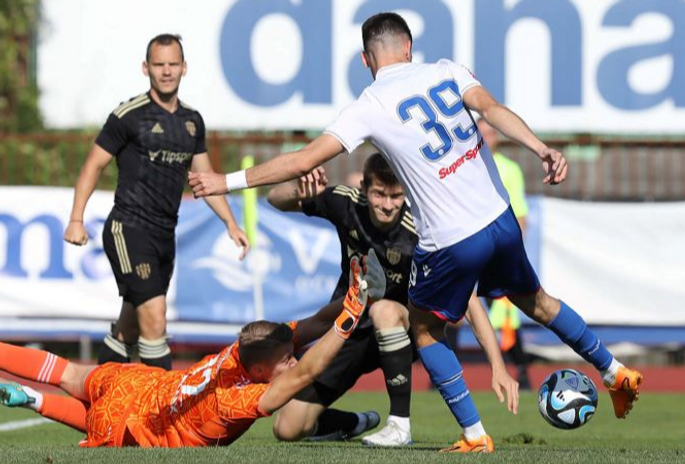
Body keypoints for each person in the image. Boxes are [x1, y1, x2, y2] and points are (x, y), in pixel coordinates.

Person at [189, 12, 643, 453]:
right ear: (409, 48)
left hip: (450, 238)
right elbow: (492, 109)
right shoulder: (447, 70)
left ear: (366, 61)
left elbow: (304, 160)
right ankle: (615, 371)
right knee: (538, 303)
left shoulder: (371, 104)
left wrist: (223, 182)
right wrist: (541, 148)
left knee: (425, 331)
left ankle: (473, 434)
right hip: (500, 218)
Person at [0, 250, 384, 448]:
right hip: (130, 427)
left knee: (67, 373)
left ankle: (33, 394)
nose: (293, 358)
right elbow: (308, 373)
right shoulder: (235, 402)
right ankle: (35, 400)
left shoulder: (242, 349)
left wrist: (357, 296)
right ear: (261, 372)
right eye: (286, 359)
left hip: (133, 385)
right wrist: (350, 314)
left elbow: (313, 326)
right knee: (102, 421)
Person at [266, 154, 518, 447]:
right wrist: (299, 191)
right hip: (350, 330)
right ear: (363, 188)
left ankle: (399, 425)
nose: (387, 204)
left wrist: (497, 365)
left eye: (396, 195)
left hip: (404, 330)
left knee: (383, 309)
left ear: (406, 193)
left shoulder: (424, 231)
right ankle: (354, 422)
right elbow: (274, 199)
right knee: (286, 427)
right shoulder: (345, 204)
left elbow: (471, 303)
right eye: (379, 194)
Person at [62, 34, 249, 370]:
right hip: (128, 229)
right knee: (156, 320)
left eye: (172, 64)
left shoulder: (193, 122)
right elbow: (93, 165)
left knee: (130, 327)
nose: (166, 71)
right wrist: (76, 218)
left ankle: (96, 397)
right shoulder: (128, 115)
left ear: (184, 68)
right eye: (159, 64)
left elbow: (205, 178)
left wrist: (230, 223)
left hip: (165, 235)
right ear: (145, 68)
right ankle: (161, 415)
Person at [477, 119, 532, 390]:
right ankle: (438, 379)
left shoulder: (510, 170)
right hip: (469, 247)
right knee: (454, 305)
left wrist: (512, 251)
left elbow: (520, 213)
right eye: (481, 132)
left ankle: (521, 370)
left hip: (498, 250)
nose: (486, 137)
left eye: (490, 132)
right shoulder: (466, 165)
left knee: (507, 311)